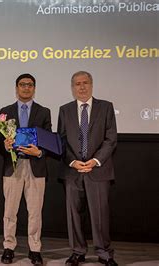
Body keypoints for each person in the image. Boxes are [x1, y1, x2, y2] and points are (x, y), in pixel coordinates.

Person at [58, 71, 118, 266]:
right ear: (72, 87)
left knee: (100, 214)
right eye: (77, 84)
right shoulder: (64, 110)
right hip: (73, 171)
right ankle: (77, 252)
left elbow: (111, 139)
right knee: (73, 214)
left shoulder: (106, 107)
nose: (81, 87)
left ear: (91, 85)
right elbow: (62, 141)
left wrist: (95, 161)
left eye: (85, 83)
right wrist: (73, 162)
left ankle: (104, 253)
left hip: (98, 170)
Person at [0, 74, 52, 265]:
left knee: (35, 211)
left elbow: (48, 141)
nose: (26, 88)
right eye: (22, 85)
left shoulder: (44, 112)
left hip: (36, 167)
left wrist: (39, 152)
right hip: (13, 166)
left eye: (30, 85)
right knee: (10, 211)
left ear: (34, 88)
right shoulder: (5, 111)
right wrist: (4, 145)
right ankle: (8, 247)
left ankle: (35, 249)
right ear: (16, 88)